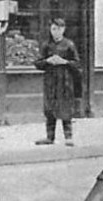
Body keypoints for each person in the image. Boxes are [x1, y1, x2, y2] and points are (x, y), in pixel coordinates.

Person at [34, 17, 81, 147]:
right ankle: (50, 137)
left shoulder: (69, 45)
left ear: (63, 30)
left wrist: (64, 62)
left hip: (64, 81)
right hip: (50, 81)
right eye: (53, 29)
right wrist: (47, 61)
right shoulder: (46, 45)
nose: (55, 32)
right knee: (50, 108)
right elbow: (38, 63)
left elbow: (77, 63)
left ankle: (68, 137)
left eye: (58, 29)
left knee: (65, 107)